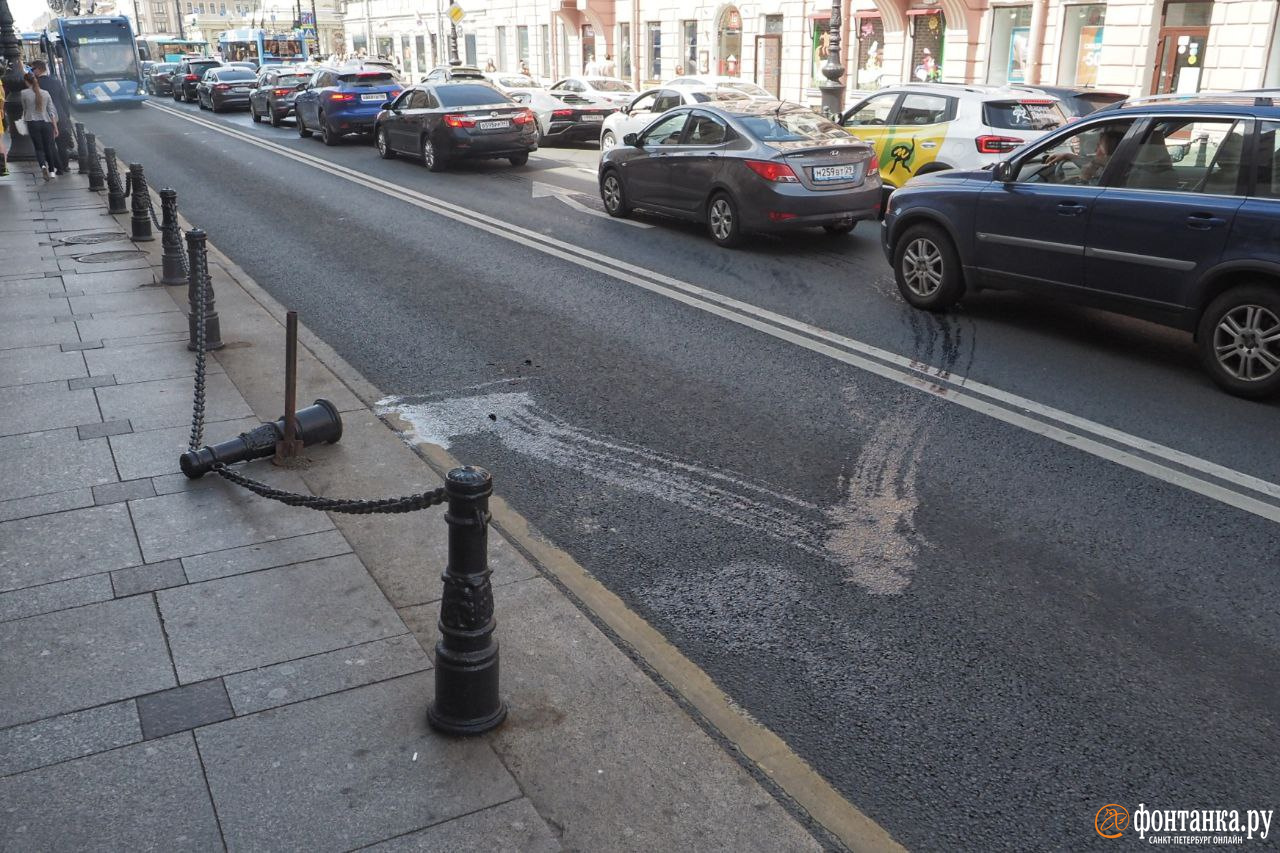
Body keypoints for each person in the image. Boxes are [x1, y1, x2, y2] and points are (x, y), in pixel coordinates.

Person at [31, 60, 72, 173]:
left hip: (44, 117)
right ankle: (65, 165)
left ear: (38, 69)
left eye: (32, 69)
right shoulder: (56, 81)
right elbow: (64, 100)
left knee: (49, 144)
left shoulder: (35, 84)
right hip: (60, 114)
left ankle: (57, 167)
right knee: (62, 144)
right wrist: (66, 116)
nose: (31, 72)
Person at [21, 72, 61, 181]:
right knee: (48, 147)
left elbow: (25, 110)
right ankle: (52, 172)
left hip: (32, 123)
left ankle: (43, 166)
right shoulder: (45, 93)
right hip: (46, 123)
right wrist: (55, 127)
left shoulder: (24, 93)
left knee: (39, 148)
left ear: (26, 82)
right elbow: (51, 111)